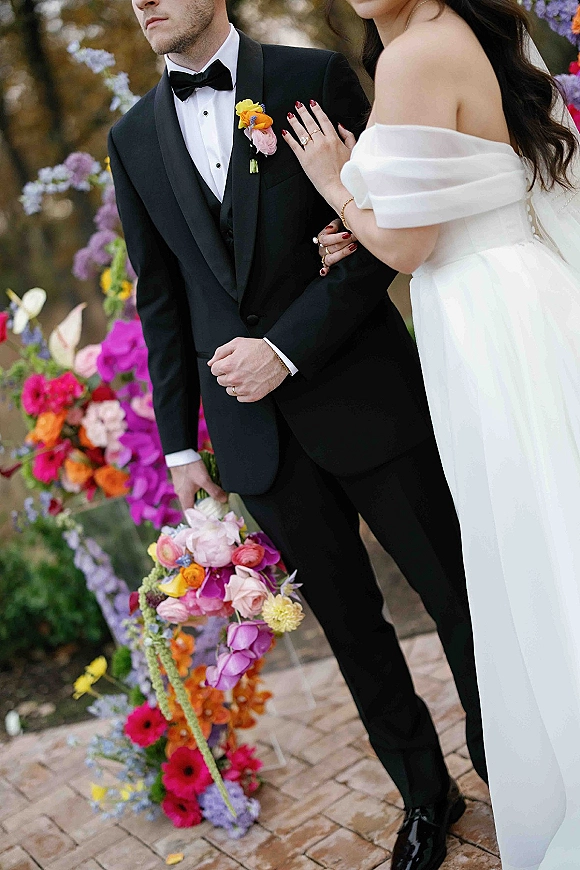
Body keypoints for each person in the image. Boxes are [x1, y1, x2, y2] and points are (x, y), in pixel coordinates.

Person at [108, 2, 489, 867]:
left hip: (366, 398)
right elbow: (160, 301)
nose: (143, 2)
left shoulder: (311, 79)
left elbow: (383, 239)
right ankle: (425, 796)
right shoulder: (132, 138)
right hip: (254, 439)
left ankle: (509, 759)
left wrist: (286, 348)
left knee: (455, 595)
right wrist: (180, 448)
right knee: (353, 633)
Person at [281, 0, 580, 867]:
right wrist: (364, 220)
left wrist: (339, 184)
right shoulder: (469, 34)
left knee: (537, 540)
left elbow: (409, 247)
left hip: (492, 325)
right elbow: (456, 193)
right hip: (519, 294)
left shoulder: (414, 54)